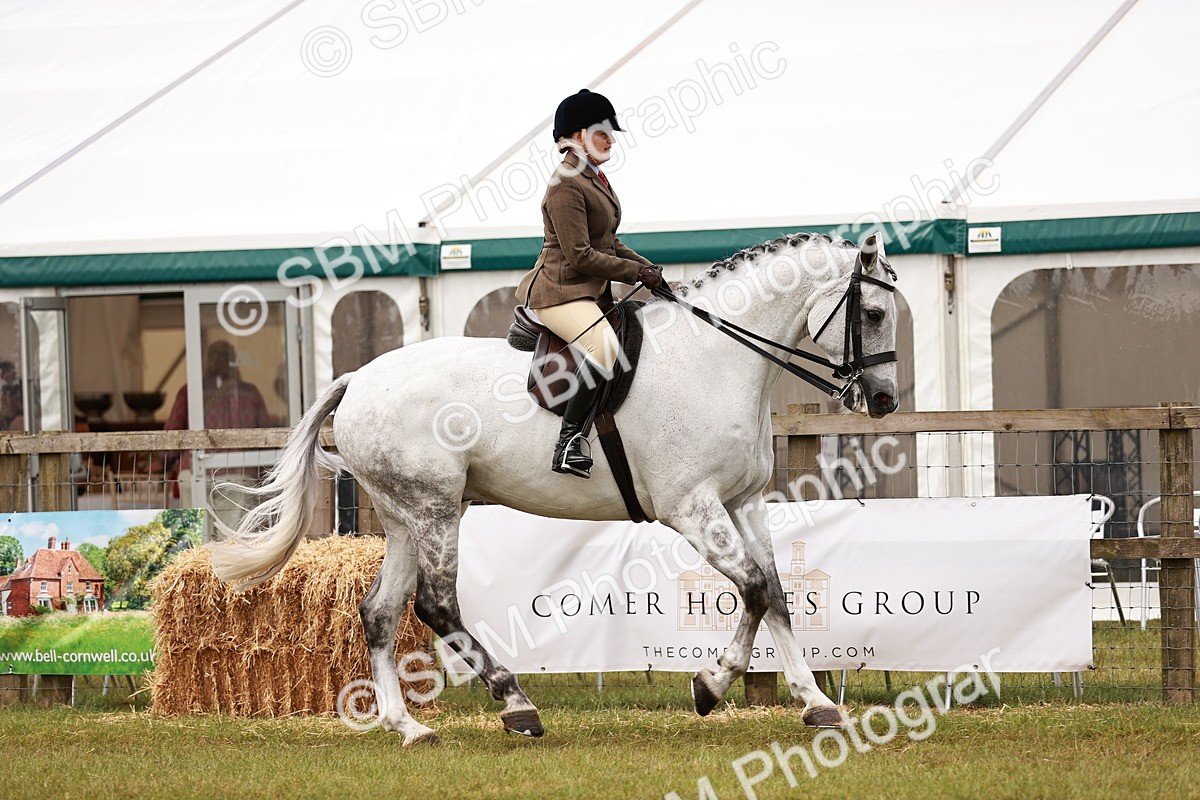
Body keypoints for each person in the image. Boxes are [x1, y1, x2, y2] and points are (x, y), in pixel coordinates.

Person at [515, 89, 665, 478]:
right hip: (560, 292)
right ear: (578, 135)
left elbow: (610, 242)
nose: (611, 139)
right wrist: (634, 274)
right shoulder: (566, 184)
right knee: (603, 347)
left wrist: (651, 270)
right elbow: (580, 255)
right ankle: (567, 442)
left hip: (589, 290)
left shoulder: (593, 178)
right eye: (603, 132)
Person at [164, 340, 273, 535]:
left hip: (195, 473)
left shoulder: (189, 391)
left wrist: (165, 461)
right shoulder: (250, 393)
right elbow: (267, 437)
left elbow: (170, 439)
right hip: (239, 474)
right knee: (233, 541)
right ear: (234, 362)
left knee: (197, 540)